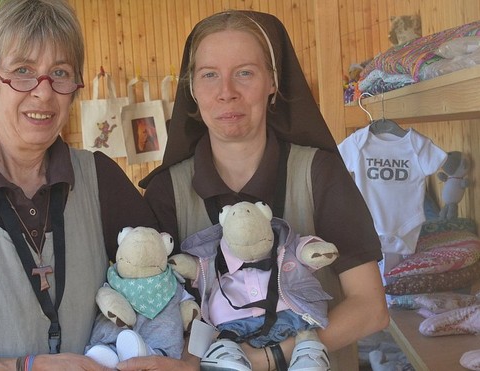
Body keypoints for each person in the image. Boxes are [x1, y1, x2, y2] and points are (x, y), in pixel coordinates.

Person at [0, 1, 172, 370]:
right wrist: (25, 366)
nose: (43, 91)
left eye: (60, 72)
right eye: (23, 71)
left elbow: (166, 285)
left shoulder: (101, 179)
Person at [140, 10, 390, 371]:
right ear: (192, 89)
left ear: (273, 82)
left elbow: (371, 308)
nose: (226, 93)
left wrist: (265, 359)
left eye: (245, 73)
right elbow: (157, 314)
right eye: (209, 75)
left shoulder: (319, 174)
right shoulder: (167, 193)